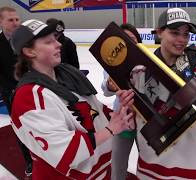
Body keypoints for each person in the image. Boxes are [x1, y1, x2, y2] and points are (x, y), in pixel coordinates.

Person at [9, 19, 135, 179]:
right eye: (49, 42)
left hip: (99, 172)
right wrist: (111, 129)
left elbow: (95, 111)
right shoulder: (29, 97)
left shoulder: (68, 75)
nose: (58, 44)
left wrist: (121, 113)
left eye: (55, 38)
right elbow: (67, 152)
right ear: (29, 52)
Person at [112, 8, 196, 179]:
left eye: (186, 34)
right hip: (149, 168)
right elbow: (137, 116)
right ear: (160, 32)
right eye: (175, 33)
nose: (181, 40)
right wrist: (128, 110)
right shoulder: (140, 69)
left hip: (194, 169)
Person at [101, 23, 142, 180]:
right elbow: (105, 89)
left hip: (145, 123)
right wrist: (110, 85)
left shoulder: (150, 62)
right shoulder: (112, 62)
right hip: (123, 121)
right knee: (118, 166)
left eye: (131, 38)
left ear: (138, 41)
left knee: (146, 164)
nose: (128, 42)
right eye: (124, 39)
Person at [0, 6, 33, 177]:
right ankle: (29, 161)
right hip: (12, 95)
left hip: (34, 91)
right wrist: (14, 90)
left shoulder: (28, 40)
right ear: (1, 22)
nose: (15, 23)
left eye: (17, 19)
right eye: (10, 20)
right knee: (21, 129)